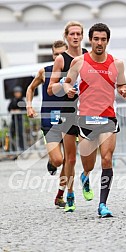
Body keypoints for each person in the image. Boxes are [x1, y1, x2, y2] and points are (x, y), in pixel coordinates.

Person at [64, 23, 126, 217]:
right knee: (89, 164)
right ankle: (85, 175)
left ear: (107, 41)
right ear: (90, 40)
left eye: (103, 39)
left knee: (107, 159)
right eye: (96, 39)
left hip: (108, 117)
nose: (99, 43)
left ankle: (102, 204)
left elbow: (122, 84)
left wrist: (123, 90)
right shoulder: (79, 62)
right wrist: (68, 90)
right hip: (86, 119)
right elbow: (67, 82)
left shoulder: (117, 63)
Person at [47, 21, 87, 212]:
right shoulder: (61, 59)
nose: (75, 37)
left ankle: (85, 177)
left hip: (87, 109)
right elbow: (51, 88)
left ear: (82, 35)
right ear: (66, 36)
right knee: (70, 159)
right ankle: (69, 194)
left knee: (89, 154)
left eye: (78, 33)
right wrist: (64, 86)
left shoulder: (88, 56)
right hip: (67, 111)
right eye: (72, 34)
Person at [26, 40, 67, 208]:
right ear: (52, 55)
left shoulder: (74, 71)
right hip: (49, 121)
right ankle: (51, 162)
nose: (58, 57)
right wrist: (29, 105)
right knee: (58, 160)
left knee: (69, 160)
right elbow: (30, 88)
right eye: (55, 54)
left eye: (61, 54)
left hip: (69, 119)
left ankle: (60, 195)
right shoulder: (45, 72)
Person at [8, 86, 26, 152]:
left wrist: (19, 111)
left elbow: (24, 109)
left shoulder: (22, 100)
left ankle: (22, 148)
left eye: (18, 92)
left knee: (20, 134)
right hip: (13, 120)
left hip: (19, 120)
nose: (17, 94)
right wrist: (13, 111)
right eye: (16, 92)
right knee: (12, 134)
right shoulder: (13, 100)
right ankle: (13, 149)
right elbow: (9, 108)